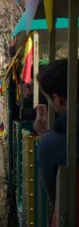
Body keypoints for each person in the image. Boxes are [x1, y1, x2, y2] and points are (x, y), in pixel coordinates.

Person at [34, 58, 79, 205]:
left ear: (57, 99)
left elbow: (56, 202)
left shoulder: (52, 144)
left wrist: (44, 135)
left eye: (48, 99)